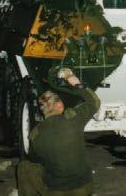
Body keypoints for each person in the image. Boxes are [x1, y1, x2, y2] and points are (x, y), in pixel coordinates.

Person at [16, 68, 100, 196]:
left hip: (56, 191)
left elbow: (35, 160)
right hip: (84, 189)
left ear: (43, 111)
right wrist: (74, 81)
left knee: (24, 167)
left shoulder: (35, 134)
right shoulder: (72, 119)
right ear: (60, 106)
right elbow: (94, 102)